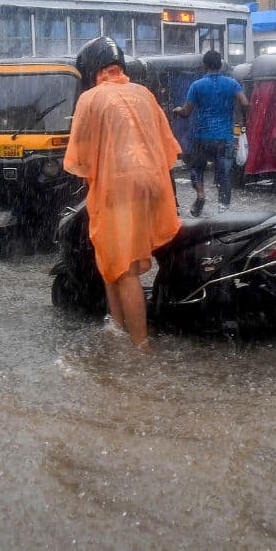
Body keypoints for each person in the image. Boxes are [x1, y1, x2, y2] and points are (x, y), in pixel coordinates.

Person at [63, 37, 181, 349]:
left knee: (125, 268)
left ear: (92, 69)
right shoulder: (144, 93)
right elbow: (167, 144)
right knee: (110, 259)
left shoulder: (90, 99)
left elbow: (82, 156)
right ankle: (116, 327)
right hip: (152, 184)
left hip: (119, 187)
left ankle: (139, 349)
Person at [173, 49, 248, 216]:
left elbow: (186, 112)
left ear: (204, 66)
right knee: (224, 174)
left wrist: (177, 110)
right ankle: (223, 209)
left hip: (202, 137)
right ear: (221, 65)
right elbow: (245, 102)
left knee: (196, 168)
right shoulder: (232, 84)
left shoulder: (197, 85)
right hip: (224, 138)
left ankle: (200, 195)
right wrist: (243, 121)